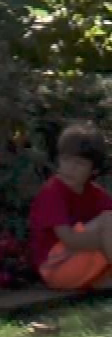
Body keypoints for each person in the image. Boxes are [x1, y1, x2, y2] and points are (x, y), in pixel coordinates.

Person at [31, 122, 112, 292]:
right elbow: (69, 239)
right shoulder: (52, 192)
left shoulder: (96, 193)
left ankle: (100, 280)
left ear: (93, 169)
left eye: (79, 164)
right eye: (66, 160)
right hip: (56, 268)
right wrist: (105, 240)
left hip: (80, 260)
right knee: (107, 220)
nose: (70, 168)